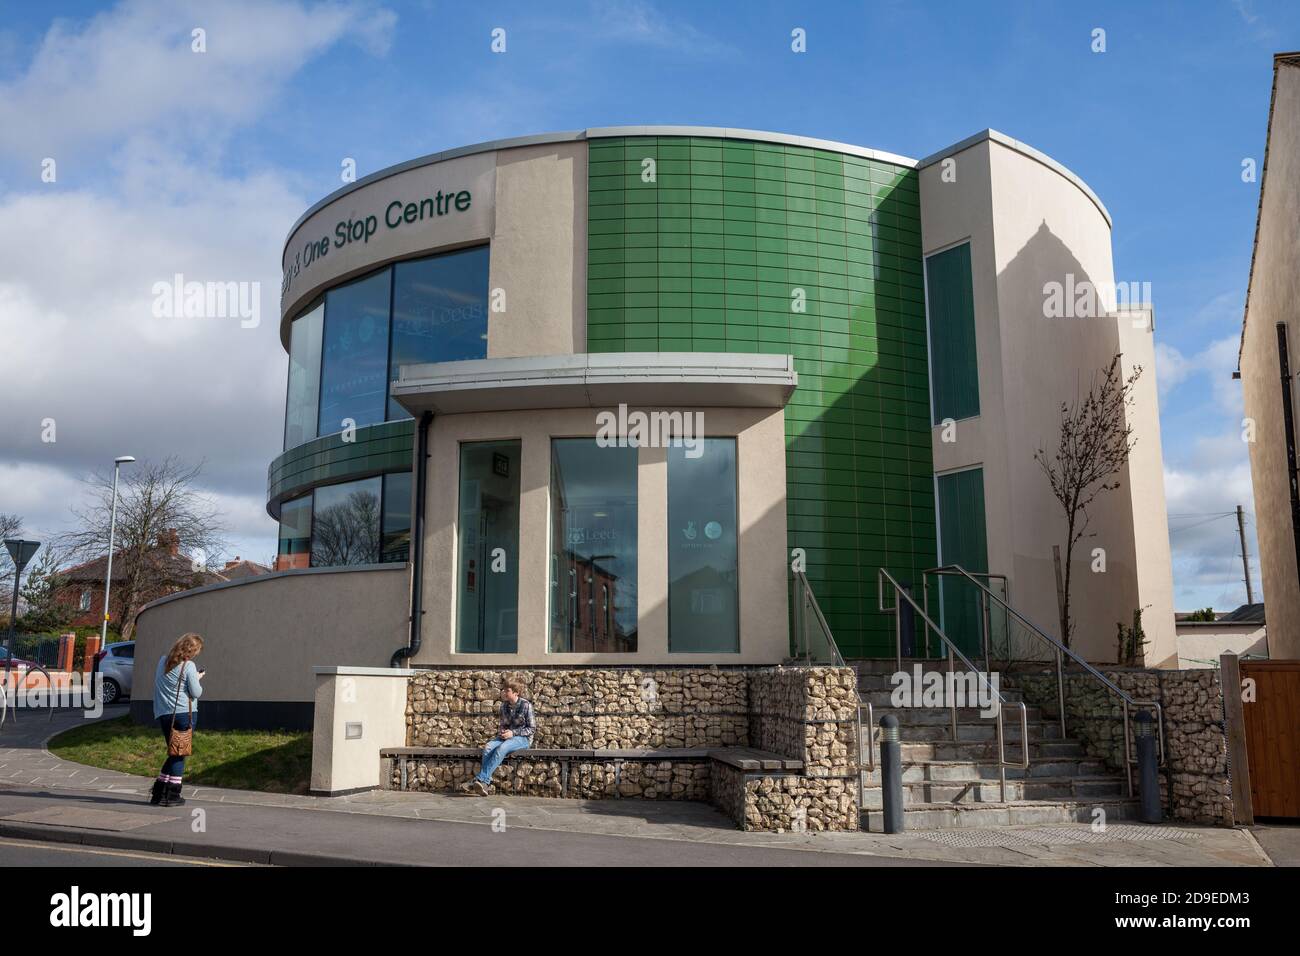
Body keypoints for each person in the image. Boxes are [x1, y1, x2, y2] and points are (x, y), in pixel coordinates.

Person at [151, 632, 204, 807]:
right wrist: (196, 678)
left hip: (163, 713)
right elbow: (196, 692)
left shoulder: (162, 661)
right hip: (183, 714)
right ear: (192, 650)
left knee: (174, 753)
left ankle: (159, 793)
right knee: (179, 754)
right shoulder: (188, 666)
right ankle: (172, 795)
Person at [460, 678, 534, 796]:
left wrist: (513, 733)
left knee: (502, 748)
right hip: (506, 737)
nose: (504, 692)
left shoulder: (526, 705)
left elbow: (531, 729)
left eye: (507, 690)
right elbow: (503, 725)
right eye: (504, 690)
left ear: (516, 692)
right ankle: (485, 784)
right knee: (488, 747)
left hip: (523, 739)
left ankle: (479, 780)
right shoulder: (503, 706)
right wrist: (503, 732)